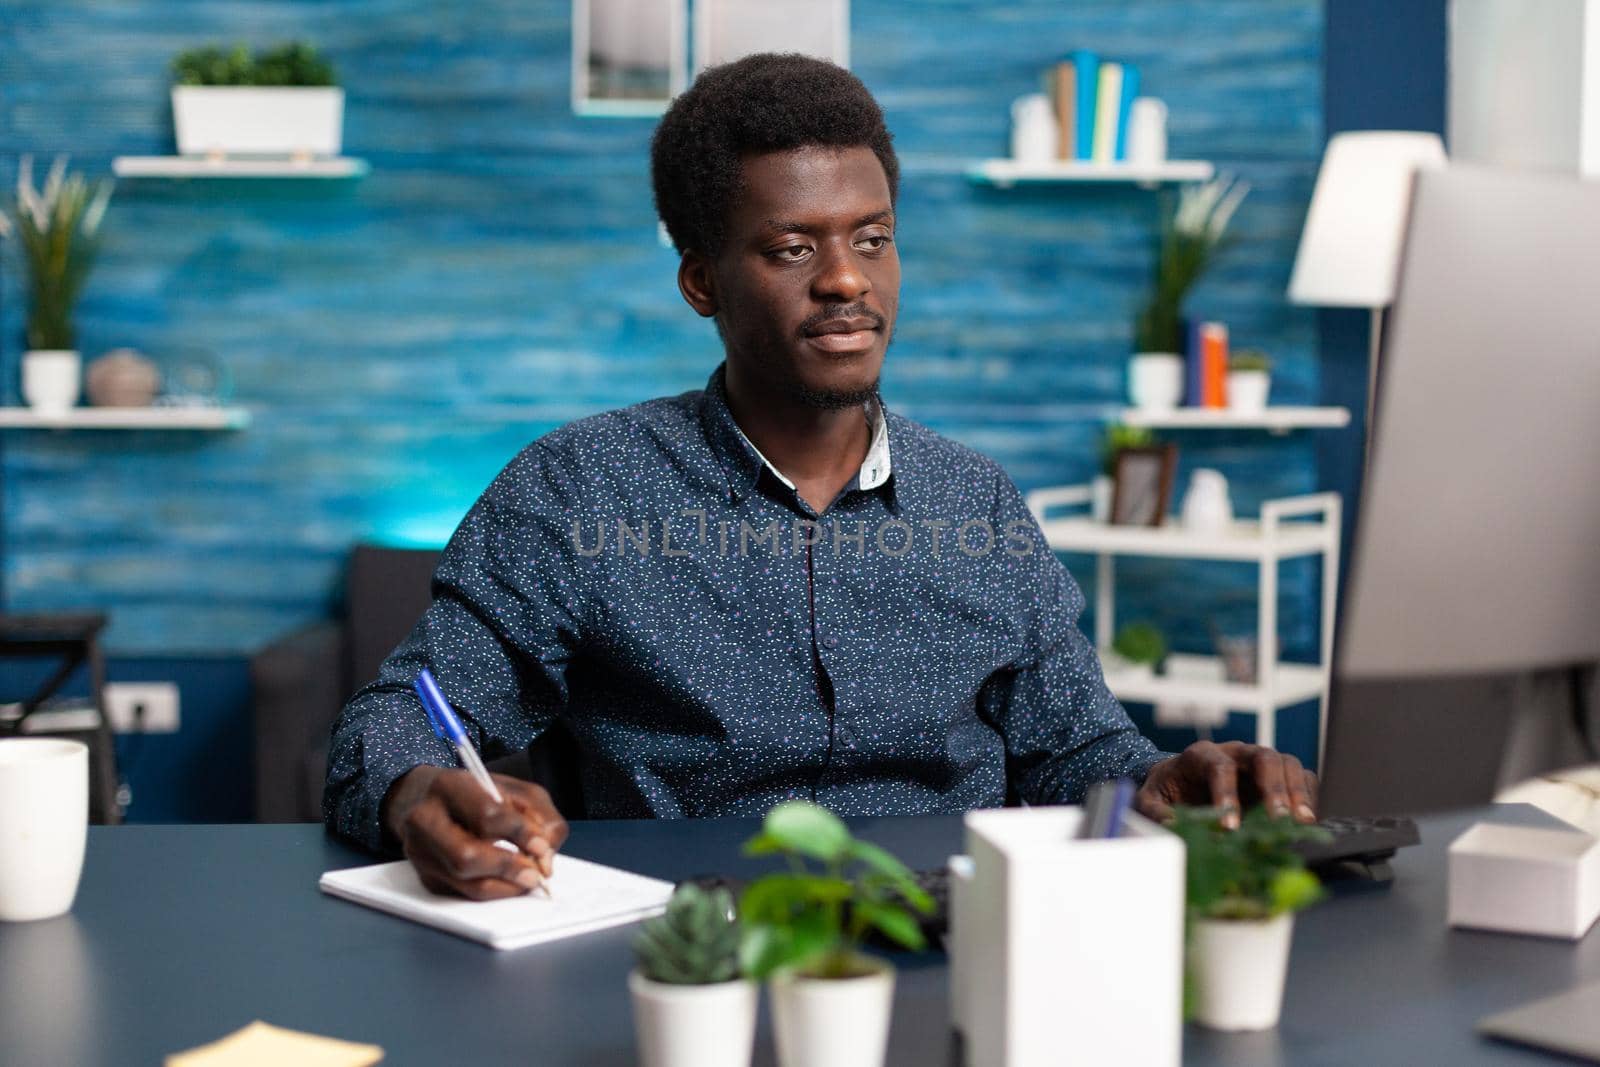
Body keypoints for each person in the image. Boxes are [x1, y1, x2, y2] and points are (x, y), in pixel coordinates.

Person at [323, 53, 1318, 899]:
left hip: (952, 944)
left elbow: (1075, 749)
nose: (846, 278)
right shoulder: (573, 493)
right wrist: (418, 792)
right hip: (690, 958)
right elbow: (400, 717)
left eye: (872, 239)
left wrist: (1167, 779)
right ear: (700, 279)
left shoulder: (977, 503)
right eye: (793, 247)